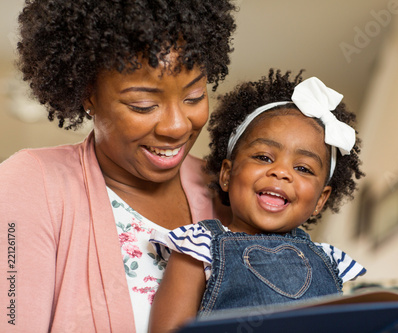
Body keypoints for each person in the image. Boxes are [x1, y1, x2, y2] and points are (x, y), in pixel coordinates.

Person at [0, 1, 236, 332]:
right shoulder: (30, 184)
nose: (177, 126)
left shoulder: (227, 188)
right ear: (88, 94)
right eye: (144, 105)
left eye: (194, 96)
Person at [148, 70, 367, 332]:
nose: (281, 172)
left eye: (304, 168)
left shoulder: (331, 261)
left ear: (321, 199)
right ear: (227, 174)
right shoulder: (199, 246)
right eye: (264, 157)